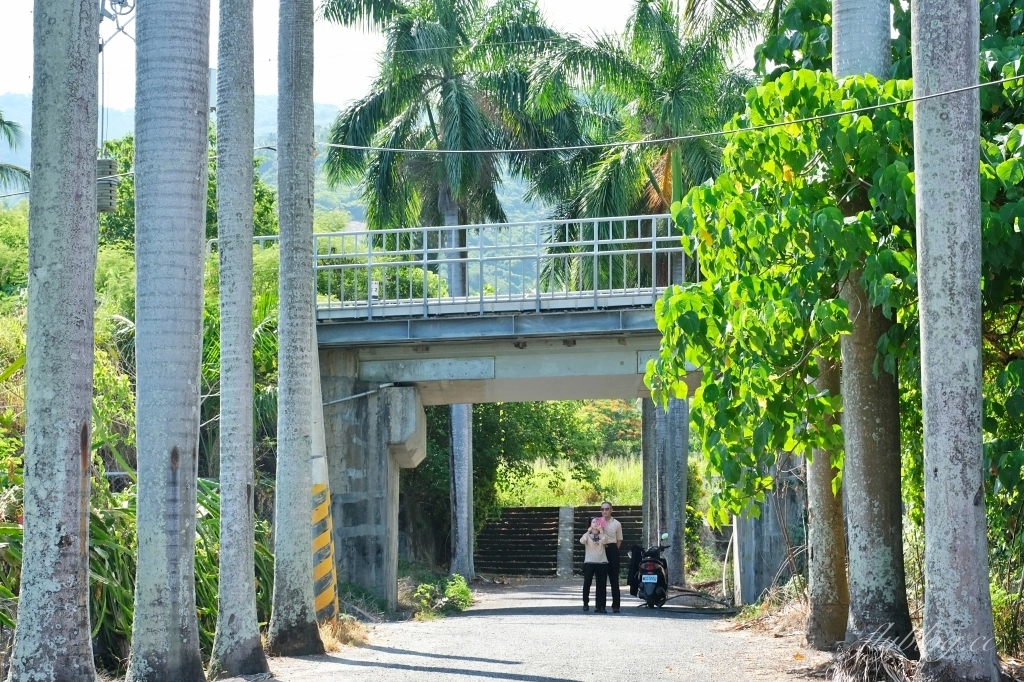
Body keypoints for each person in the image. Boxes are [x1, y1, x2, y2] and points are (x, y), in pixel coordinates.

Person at [580, 517, 611, 613]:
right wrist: (587, 532)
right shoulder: (587, 535)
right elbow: (582, 541)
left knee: (601, 585)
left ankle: (601, 606)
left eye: (597, 522)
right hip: (589, 562)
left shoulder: (602, 535)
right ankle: (585, 602)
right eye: (593, 522)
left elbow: (606, 541)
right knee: (587, 583)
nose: (595, 523)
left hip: (602, 562)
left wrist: (601, 531)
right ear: (590, 524)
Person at [600, 501, 623, 613]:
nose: (605, 511)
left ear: (611, 510)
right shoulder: (598, 522)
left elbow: (619, 539)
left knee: (614, 579)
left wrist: (613, 550)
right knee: (601, 579)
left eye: (607, 509)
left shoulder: (616, 523)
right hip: (600, 550)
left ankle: (616, 605)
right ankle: (601, 605)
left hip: (613, 550)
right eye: (603, 509)